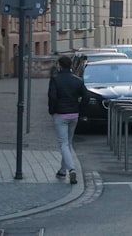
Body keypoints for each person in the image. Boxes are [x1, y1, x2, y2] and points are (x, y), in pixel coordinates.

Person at [48, 55, 89, 184]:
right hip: (74, 115)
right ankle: (62, 170)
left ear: (60, 66)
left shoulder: (55, 79)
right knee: (68, 144)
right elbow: (86, 97)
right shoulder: (78, 80)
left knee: (63, 144)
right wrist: (80, 109)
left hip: (60, 114)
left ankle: (72, 170)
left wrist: (52, 110)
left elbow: (52, 97)